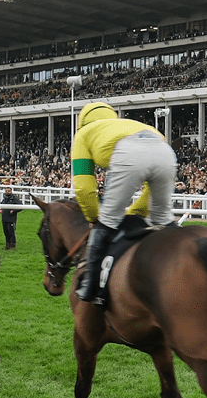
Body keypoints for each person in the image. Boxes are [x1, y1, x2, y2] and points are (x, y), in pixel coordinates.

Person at [71, 102, 177, 306]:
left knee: (107, 221)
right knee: (163, 218)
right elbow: (149, 193)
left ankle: (89, 286)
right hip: (165, 150)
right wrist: (136, 212)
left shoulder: (83, 134)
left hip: (128, 152)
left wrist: (94, 217)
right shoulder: (130, 124)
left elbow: (84, 187)